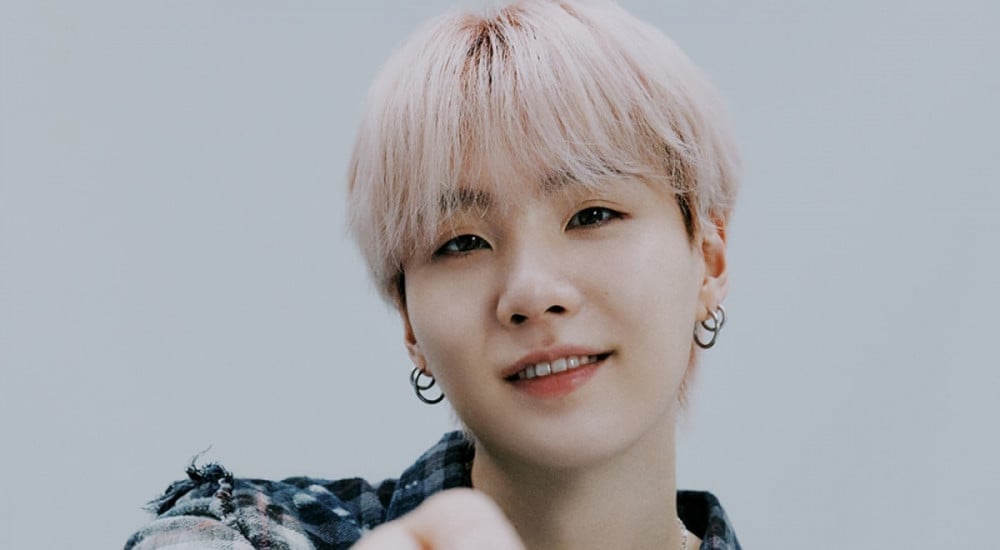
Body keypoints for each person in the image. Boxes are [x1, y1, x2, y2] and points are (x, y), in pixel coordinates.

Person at [125, 0, 741, 548]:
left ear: (709, 259)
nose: (531, 292)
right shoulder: (251, 534)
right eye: (461, 243)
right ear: (408, 323)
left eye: (593, 215)